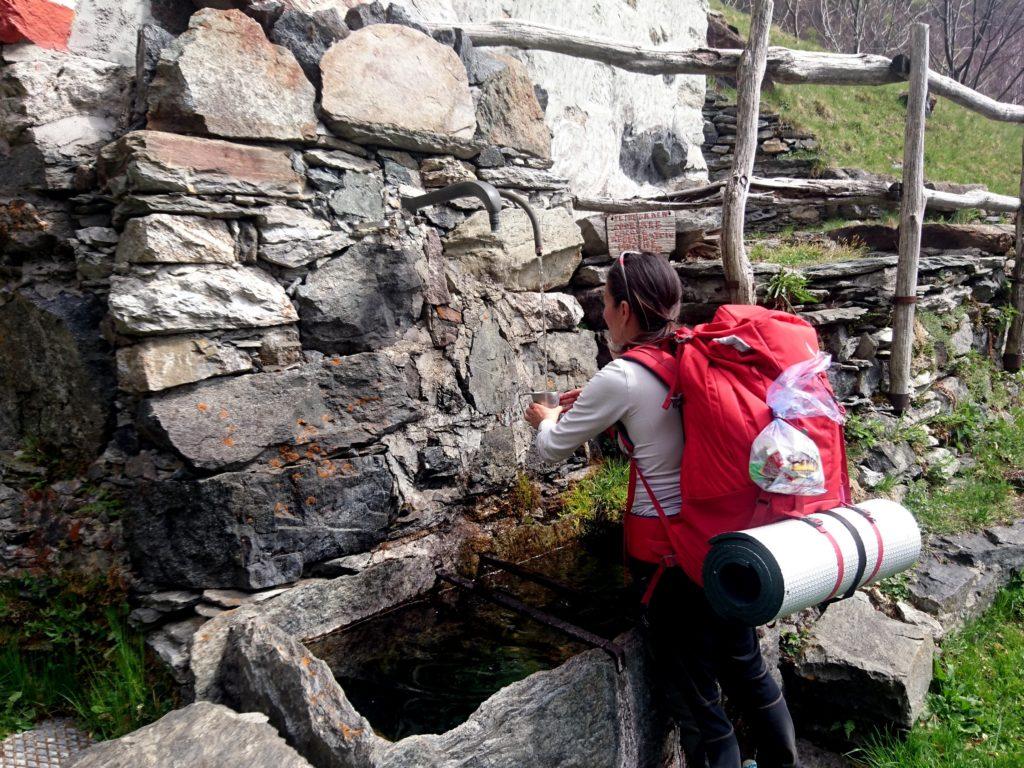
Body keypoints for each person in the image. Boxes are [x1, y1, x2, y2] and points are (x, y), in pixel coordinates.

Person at [523, 250, 800, 768]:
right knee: (747, 670)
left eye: (605, 303)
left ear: (626, 308)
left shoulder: (622, 377)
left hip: (669, 554)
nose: (601, 314)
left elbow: (552, 448)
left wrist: (545, 416)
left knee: (697, 701)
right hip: (728, 541)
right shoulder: (693, 352)